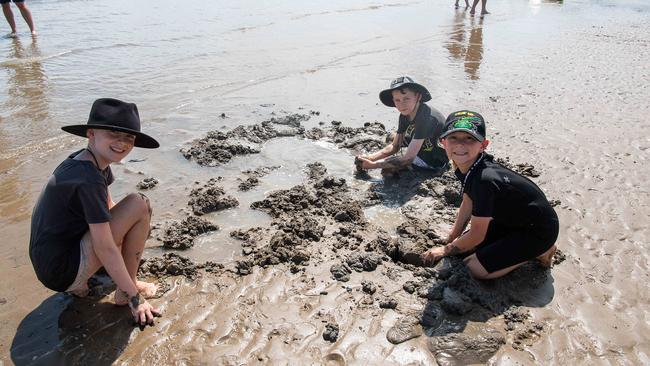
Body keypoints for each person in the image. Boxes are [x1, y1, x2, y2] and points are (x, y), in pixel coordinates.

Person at [29, 98, 161, 326]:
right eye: (113, 134)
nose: (122, 143)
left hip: (50, 261)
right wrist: (135, 298)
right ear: (91, 133)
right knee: (140, 204)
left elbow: (108, 211)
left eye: (128, 137)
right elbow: (104, 245)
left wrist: (128, 239)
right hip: (61, 270)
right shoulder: (88, 178)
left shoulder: (86, 160)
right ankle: (126, 290)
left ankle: (92, 280)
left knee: (123, 216)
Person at [421, 110, 558, 279]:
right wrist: (451, 238)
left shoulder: (484, 179)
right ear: (443, 142)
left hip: (539, 230)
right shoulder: (466, 165)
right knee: (467, 248)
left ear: (483, 145)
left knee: (473, 268)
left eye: (469, 138)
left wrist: (444, 250)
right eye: (453, 138)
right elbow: (467, 202)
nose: (460, 145)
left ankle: (540, 251)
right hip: (511, 221)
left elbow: (477, 235)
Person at [355, 76, 448, 176]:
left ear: (418, 97)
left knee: (388, 170)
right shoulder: (405, 115)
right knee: (394, 139)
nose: (401, 105)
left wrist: (373, 165)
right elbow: (395, 146)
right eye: (397, 100)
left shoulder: (427, 117)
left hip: (435, 160)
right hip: (421, 147)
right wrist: (370, 158)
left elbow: (408, 159)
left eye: (406, 99)